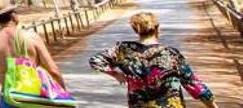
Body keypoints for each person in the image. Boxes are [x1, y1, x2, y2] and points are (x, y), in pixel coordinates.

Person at [89, 11, 217, 107]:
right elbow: (193, 83)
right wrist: (212, 106)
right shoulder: (171, 54)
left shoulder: (123, 50)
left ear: (136, 30)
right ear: (157, 29)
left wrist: (115, 74)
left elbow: (96, 60)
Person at [0, 0, 65, 107]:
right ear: (14, 16)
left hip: (9, 98)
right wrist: (63, 94)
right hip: (35, 96)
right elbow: (53, 70)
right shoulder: (31, 37)